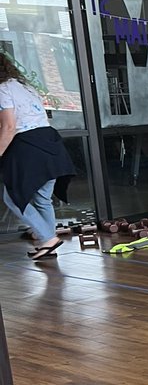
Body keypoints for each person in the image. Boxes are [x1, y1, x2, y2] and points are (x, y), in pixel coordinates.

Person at [0, 54, 74, 262]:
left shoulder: (2, 89)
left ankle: (48, 238)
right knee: (42, 199)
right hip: (49, 142)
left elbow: (9, 126)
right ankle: (48, 244)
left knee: (14, 197)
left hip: (28, 146)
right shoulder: (24, 86)